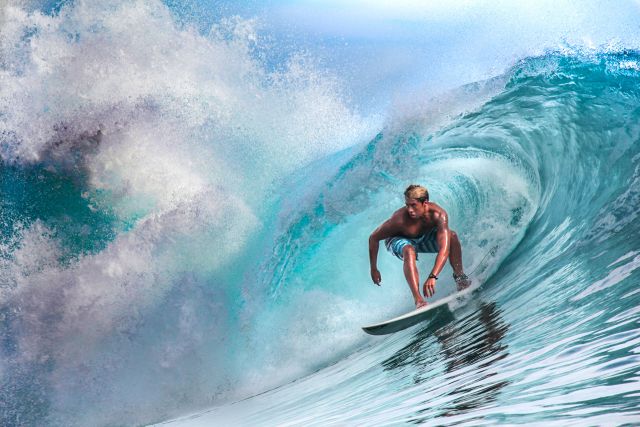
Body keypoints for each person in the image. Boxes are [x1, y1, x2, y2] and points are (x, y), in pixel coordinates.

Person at [368, 184, 471, 309]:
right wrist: (374, 268)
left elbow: (444, 249)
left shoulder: (439, 215)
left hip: (422, 238)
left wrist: (433, 276)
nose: (410, 209)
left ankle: (460, 278)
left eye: (413, 205)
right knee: (409, 250)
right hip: (397, 240)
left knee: (452, 236)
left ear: (425, 203)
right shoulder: (399, 219)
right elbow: (373, 238)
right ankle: (418, 299)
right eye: (407, 205)